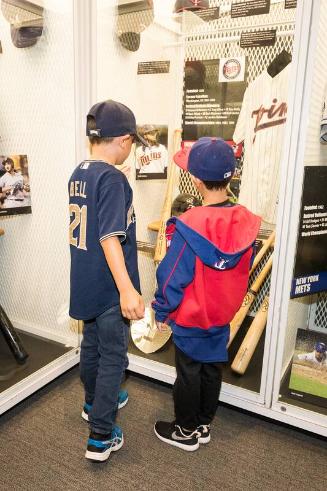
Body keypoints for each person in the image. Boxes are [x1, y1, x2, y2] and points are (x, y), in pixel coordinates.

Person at [152, 137, 261, 451]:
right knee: (212, 368)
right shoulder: (246, 222)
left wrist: (161, 311)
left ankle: (185, 431)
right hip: (222, 315)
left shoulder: (189, 224)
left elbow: (172, 275)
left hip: (191, 316)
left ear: (196, 180)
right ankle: (203, 424)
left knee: (188, 373)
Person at [68, 99, 146, 462]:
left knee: (92, 346)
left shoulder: (80, 172)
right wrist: (127, 288)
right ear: (125, 140)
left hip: (85, 281)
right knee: (114, 354)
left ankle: (91, 400)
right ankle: (100, 433)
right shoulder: (112, 179)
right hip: (111, 286)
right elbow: (109, 237)